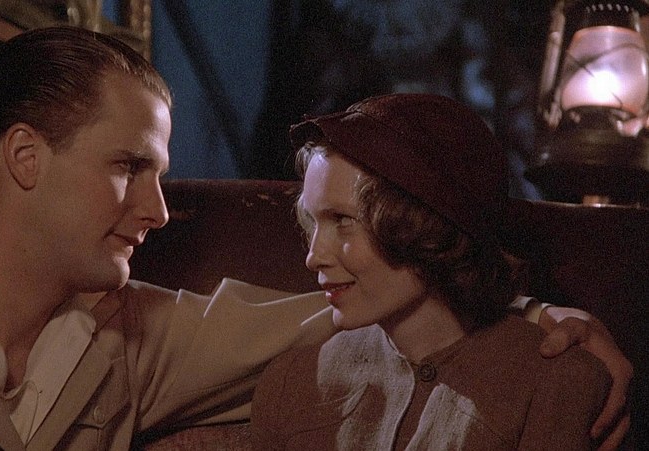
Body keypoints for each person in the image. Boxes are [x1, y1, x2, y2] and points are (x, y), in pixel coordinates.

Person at [0, 27, 630, 450]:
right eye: (128, 166)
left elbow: (370, 307)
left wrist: (530, 314)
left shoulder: (130, 333)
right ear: (25, 158)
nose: (156, 209)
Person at [251, 93, 621, 450]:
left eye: (343, 220)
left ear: (423, 224)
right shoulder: (291, 385)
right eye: (313, 221)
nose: (314, 257)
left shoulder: (554, 383)